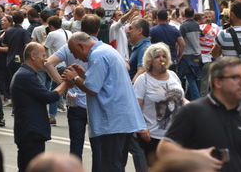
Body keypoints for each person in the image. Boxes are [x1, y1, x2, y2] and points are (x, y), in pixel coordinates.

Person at [157, 57, 241, 172]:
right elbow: (163, 150)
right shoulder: (192, 112)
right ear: (217, 82)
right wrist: (195, 156)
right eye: (235, 77)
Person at [62, 32, 146, 172]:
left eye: (74, 52)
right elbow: (104, 82)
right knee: (116, 164)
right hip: (120, 120)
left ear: (81, 46)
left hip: (112, 122)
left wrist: (75, 78)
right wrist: (84, 74)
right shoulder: (106, 50)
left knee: (111, 166)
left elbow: (92, 88)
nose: (75, 57)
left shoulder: (98, 55)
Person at [45, 15, 102, 172]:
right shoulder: (101, 47)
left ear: (81, 27)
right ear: (98, 29)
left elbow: (48, 62)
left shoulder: (71, 46)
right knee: (98, 147)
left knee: (75, 146)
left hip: (75, 100)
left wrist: (63, 84)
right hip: (95, 101)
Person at [11, 42, 68, 172]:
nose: (45, 59)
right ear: (33, 56)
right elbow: (49, 97)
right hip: (30, 133)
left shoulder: (26, 74)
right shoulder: (25, 76)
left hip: (30, 132)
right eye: (43, 55)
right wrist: (67, 83)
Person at [134, 43, 185, 166]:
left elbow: (181, 99)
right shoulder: (143, 80)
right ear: (150, 60)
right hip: (153, 137)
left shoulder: (173, 75)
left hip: (175, 135)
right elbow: (136, 107)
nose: (161, 59)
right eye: (157, 57)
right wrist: (142, 129)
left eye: (164, 56)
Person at [178, 8, 201, 100]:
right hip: (198, 56)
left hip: (187, 56)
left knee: (190, 78)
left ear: (184, 14)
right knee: (196, 78)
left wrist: (179, 55)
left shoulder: (183, 26)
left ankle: (197, 99)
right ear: (193, 14)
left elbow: (181, 42)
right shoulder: (197, 25)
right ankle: (195, 98)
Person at [3, 11, 31, 78]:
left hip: (9, 59)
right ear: (23, 20)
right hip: (20, 60)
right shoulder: (24, 32)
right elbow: (27, 45)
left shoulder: (8, 31)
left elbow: (4, 44)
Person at [126, 18, 151, 83]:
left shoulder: (144, 49)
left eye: (131, 28)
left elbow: (141, 71)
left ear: (139, 31)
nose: (128, 31)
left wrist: (131, 89)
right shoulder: (141, 47)